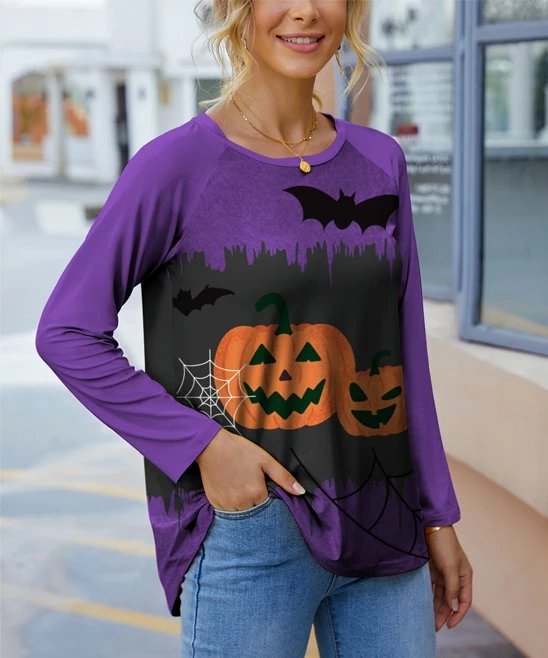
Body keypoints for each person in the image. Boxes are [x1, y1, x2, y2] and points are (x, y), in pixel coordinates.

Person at [35, 0, 473, 655]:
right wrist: (204, 446)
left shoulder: (380, 162)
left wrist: (437, 517)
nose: (305, 11)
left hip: (386, 520)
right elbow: (66, 332)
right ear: (235, 9)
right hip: (252, 526)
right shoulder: (176, 166)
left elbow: (405, 354)